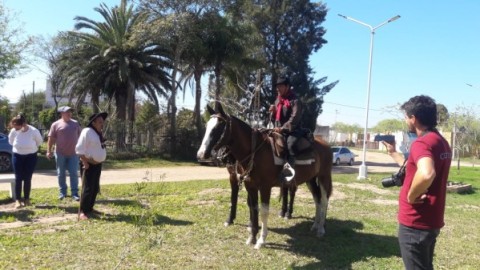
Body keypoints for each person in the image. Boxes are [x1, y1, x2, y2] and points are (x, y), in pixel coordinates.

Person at [383, 95, 452, 270]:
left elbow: (426, 173)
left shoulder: (422, 143)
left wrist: (411, 196)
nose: (406, 120)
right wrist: (393, 153)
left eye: (406, 117)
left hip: (415, 222)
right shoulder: (440, 141)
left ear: (413, 119)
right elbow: (413, 169)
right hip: (431, 219)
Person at [269, 76, 304, 180]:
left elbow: (295, 118)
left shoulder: (295, 100)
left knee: (290, 144)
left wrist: (282, 128)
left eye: (280, 86)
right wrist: (273, 112)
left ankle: (288, 172)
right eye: (277, 87)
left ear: (287, 87)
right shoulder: (277, 101)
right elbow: (276, 118)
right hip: (279, 130)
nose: (277, 89)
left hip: (294, 130)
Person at [75, 112, 108, 220]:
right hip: (88, 164)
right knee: (87, 188)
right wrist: (85, 162)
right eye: (99, 122)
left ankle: (89, 208)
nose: (102, 124)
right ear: (93, 123)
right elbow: (79, 149)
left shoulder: (98, 132)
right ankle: (82, 212)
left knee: (94, 188)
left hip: (97, 164)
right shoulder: (87, 131)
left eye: (102, 122)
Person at [8, 114, 43, 209]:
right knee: (18, 178)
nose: (15, 128)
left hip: (31, 156)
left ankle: (27, 199)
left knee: (27, 177)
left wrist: (29, 148)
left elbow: (39, 142)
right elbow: (11, 141)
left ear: (23, 124)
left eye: (17, 126)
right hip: (17, 156)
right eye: (14, 126)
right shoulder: (13, 131)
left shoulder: (34, 131)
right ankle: (18, 200)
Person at [47, 106, 82, 201]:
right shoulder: (55, 124)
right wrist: (48, 151)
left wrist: (82, 150)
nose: (69, 113)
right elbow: (51, 139)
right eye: (67, 112)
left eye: (70, 112)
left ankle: (75, 193)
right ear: (61, 113)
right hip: (60, 153)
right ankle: (63, 192)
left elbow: (81, 137)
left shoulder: (75, 124)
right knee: (61, 174)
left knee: (74, 173)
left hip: (74, 154)